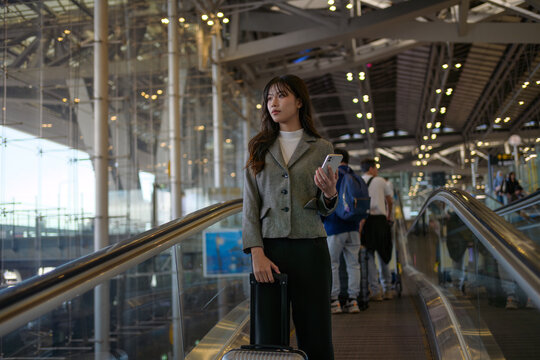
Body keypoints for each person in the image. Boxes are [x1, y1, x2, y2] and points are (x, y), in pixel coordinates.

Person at [242, 74, 338, 360]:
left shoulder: (321, 147)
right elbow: (250, 204)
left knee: (316, 332)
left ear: (298, 101)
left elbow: (324, 208)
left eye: (281, 95)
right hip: (270, 251)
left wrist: (330, 194)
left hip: (311, 248)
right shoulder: (258, 146)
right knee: (268, 336)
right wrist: (256, 252)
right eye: (269, 97)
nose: (274, 103)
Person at [322, 148, 361, 314]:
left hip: (334, 226)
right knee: (354, 264)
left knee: (332, 264)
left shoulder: (333, 176)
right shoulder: (356, 177)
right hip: (353, 226)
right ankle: (353, 301)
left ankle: (335, 301)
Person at [360, 158, 394, 301]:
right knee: (383, 255)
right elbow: (390, 200)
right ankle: (387, 289)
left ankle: (375, 291)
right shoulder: (380, 181)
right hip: (380, 221)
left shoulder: (359, 181)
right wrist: (388, 215)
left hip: (366, 221)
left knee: (369, 256)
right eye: (376, 168)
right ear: (371, 169)